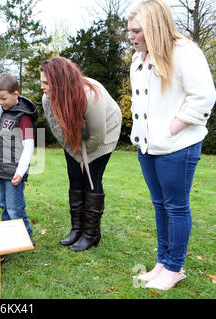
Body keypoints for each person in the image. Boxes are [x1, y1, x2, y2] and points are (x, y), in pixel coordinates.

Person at [127, 0, 215, 290]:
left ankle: (175, 267)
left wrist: (170, 129)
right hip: (147, 148)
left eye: (137, 30)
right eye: (129, 30)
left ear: (154, 28)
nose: (131, 36)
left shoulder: (185, 52)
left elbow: (203, 97)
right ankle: (162, 263)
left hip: (178, 145)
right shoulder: (138, 59)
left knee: (176, 207)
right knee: (159, 205)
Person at [40, 57, 122, 252]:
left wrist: (85, 159)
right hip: (73, 138)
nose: (42, 87)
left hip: (104, 133)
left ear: (59, 82)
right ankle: (77, 229)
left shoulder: (91, 96)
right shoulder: (48, 99)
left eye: (46, 83)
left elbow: (96, 138)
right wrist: (76, 157)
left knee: (91, 178)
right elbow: (60, 133)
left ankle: (91, 234)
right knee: (75, 176)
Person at [0, 73, 38, 240]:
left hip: (14, 171)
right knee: (3, 205)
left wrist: (21, 171)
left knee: (14, 208)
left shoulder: (24, 116)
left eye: (4, 99)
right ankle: (9, 237)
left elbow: (29, 146)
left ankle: (26, 238)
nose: (1, 103)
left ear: (15, 94)